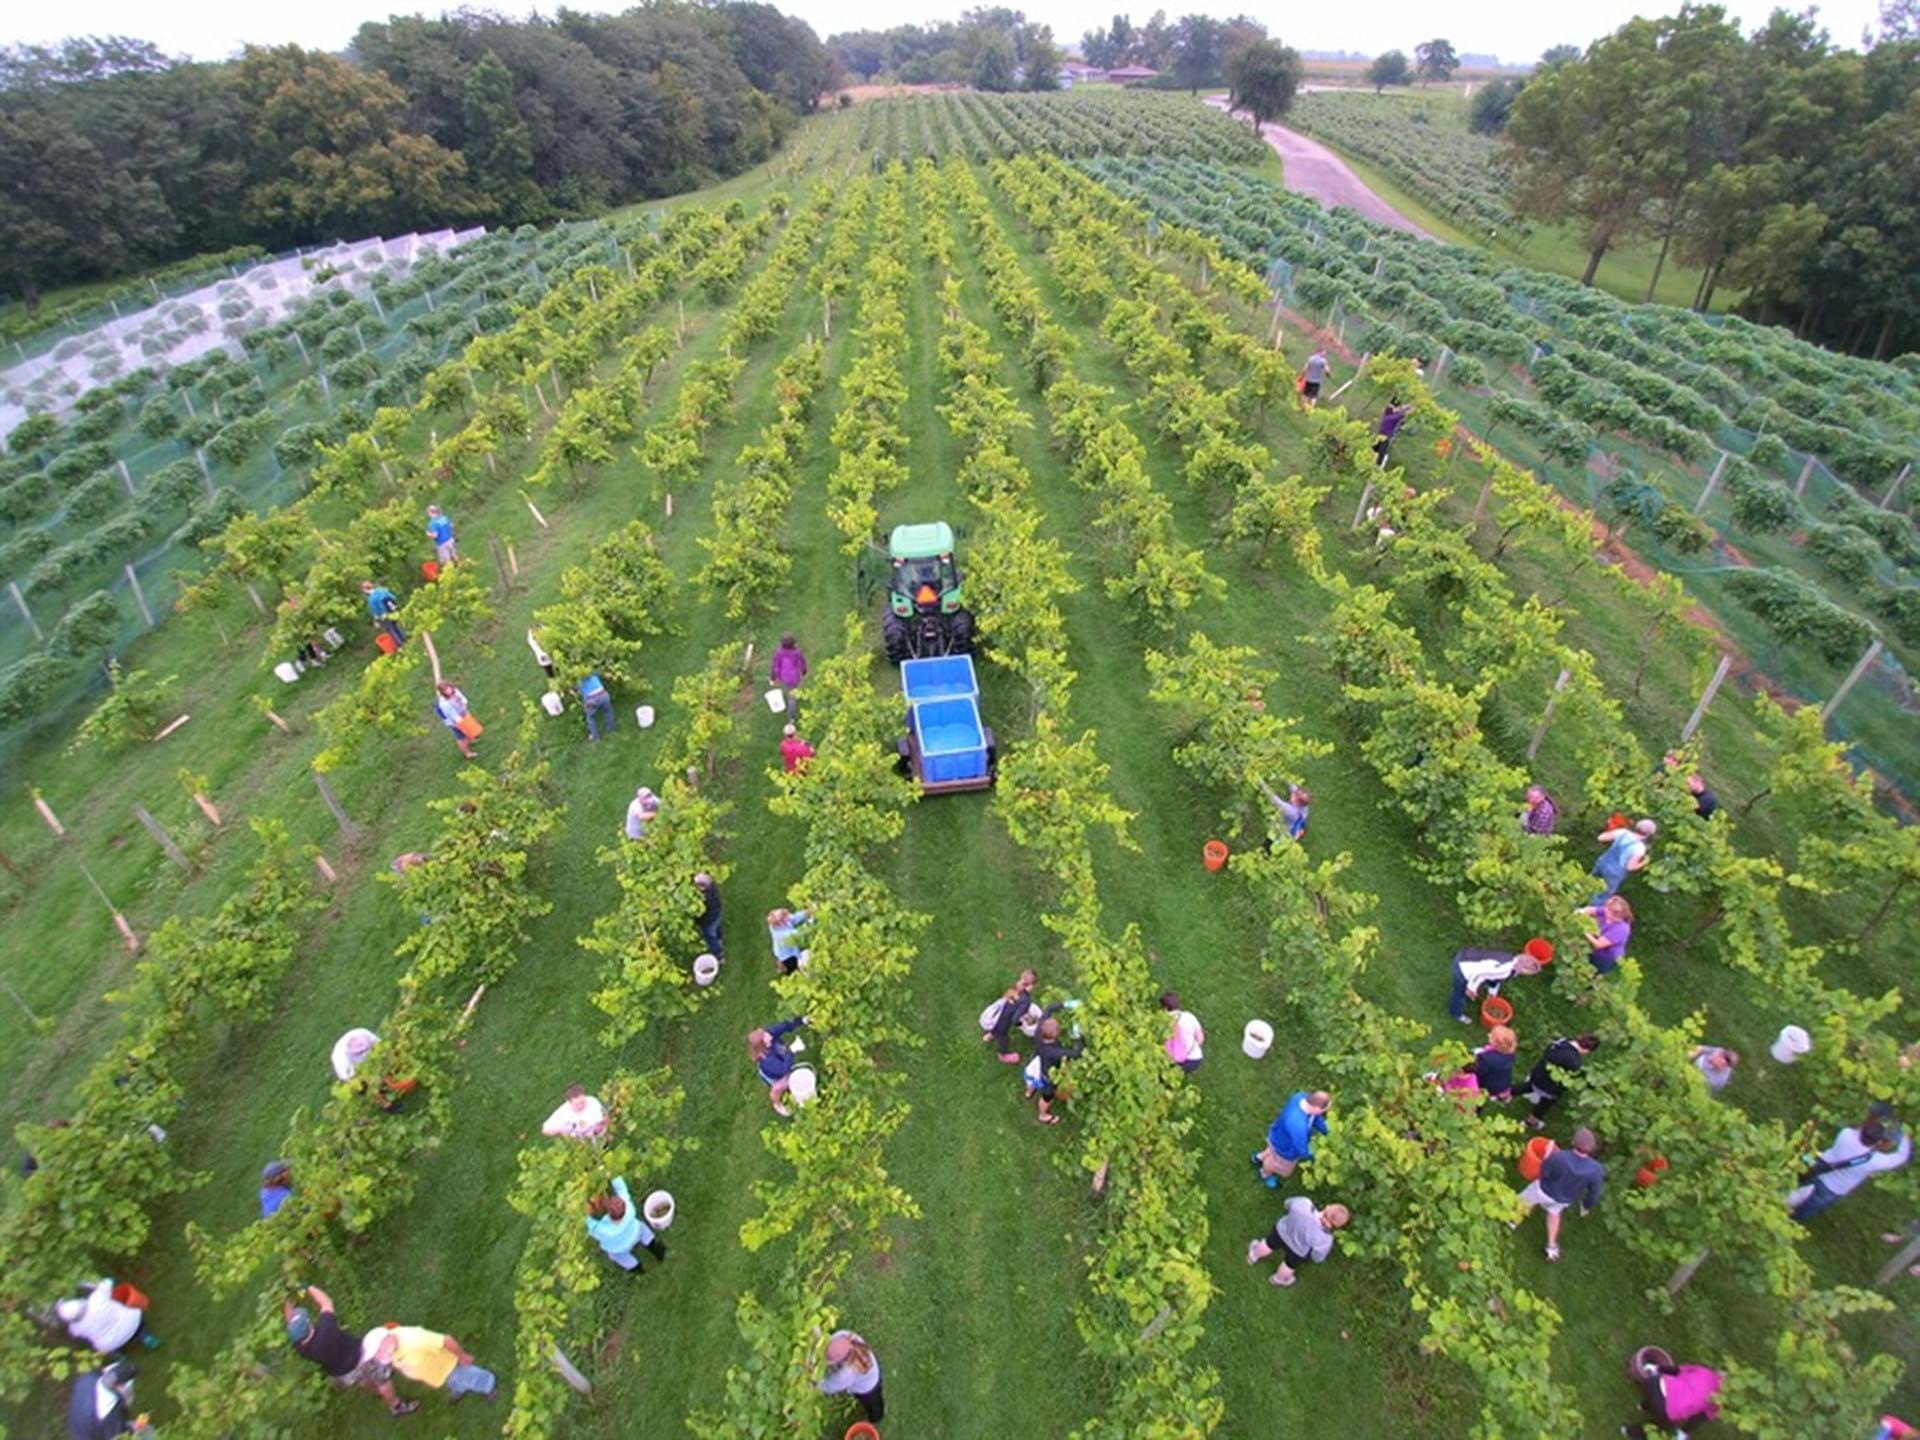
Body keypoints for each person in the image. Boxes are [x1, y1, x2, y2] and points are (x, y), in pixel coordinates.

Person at [285, 1286, 417, 1417]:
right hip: (362, 1359)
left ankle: (378, 1393)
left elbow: (294, 1328)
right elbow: (326, 1302)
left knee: (363, 1380)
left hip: (343, 1373)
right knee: (383, 1380)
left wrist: (287, 1305)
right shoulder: (326, 1329)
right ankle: (396, 1405)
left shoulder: (300, 1347)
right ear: (309, 1323)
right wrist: (308, 1287)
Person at [1789, 1104, 1911, 1222]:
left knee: (1792, 1189)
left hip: (1817, 1169)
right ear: (1878, 1142)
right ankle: (1792, 1221)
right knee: (1805, 1209)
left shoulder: (1845, 1135)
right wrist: (1905, 1135)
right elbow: (1901, 1157)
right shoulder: (1874, 1161)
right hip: (1833, 1188)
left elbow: (1859, 1128)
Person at [1514, 1127, 1604, 1262]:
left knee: (1523, 1202)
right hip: (1563, 1199)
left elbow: (1543, 1172)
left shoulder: (1558, 1157)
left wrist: (1547, 1155)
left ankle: (1512, 1221)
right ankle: (1551, 1247)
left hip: (1543, 1190)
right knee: (1554, 1215)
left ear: (1573, 1142)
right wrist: (1586, 1206)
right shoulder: (1596, 1170)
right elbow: (1594, 1193)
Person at [359, 1324, 497, 1404]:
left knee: (470, 1376)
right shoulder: (390, 1351)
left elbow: (446, 1340)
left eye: (378, 1353)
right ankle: (460, 1388)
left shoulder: (415, 1339)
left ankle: (488, 1385)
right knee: (453, 1382)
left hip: (449, 1367)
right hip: (436, 1374)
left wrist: (462, 1356)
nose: (378, 1358)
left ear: (385, 1341)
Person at [1245, 1196, 1350, 1287]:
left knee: (1268, 1244)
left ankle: (1253, 1255)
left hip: (1282, 1231)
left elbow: (1288, 1203)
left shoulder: (1304, 1204)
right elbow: (1319, 1254)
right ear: (1336, 1227)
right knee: (1289, 1265)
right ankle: (1278, 1279)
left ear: (1328, 1206)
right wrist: (1315, 1259)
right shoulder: (1325, 1238)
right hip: (1298, 1250)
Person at [1623, 1351, 1723, 1438]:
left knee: (1668, 1389)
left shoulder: (1705, 1372)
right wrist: (1683, 1432)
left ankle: (1643, 1405)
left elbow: (1675, 1370)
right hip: (1664, 1410)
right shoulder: (1717, 1404)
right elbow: (1697, 1420)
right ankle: (1631, 1432)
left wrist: (1656, 1368)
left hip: (1653, 1384)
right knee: (1664, 1425)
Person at [1447, 940, 1550, 1023]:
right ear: (1522, 967)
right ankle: (1456, 1013)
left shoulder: (1512, 966)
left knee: (1467, 991)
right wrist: (1471, 988)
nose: (1527, 975)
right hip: (1463, 967)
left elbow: (1494, 978)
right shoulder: (1504, 968)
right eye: (1528, 972)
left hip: (1471, 959)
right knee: (1459, 994)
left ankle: (1466, 998)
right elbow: (1480, 973)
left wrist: (1492, 994)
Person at [586, 1176, 668, 1273]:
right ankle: (658, 1251)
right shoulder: (629, 1209)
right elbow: (621, 1188)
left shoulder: (602, 1229)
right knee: (643, 1231)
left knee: (620, 1257)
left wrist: (587, 1210)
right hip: (635, 1233)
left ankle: (637, 1269)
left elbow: (588, 1222)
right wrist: (612, 1174)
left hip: (619, 1248)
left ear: (609, 1212)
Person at [1254, 1090, 1331, 1187]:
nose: (1323, 1113)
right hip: (1284, 1148)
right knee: (1275, 1164)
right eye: (1323, 1111)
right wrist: (1317, 1155)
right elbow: (1302, 1150)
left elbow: (1315, 1118)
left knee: (1272, 1151)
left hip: (1278, 1134)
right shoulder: (1298, 1126)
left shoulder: (1301, 1097)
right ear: (1316, 1108)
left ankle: (1258, 1157)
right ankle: (1265, 1173)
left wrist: (1326, 1130)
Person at [1520, 1034, 1600, 1128]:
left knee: (1527, 1086)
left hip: (1538, 1072)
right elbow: (1581, 1078)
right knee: (1544, 1105)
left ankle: (1503, 1094)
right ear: (1587, 1050)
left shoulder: (1562, 1041)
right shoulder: (1574, 1062)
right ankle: (1530, 1122)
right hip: (1548, 1087)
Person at [1024, 1013, 1084, 1125]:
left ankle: (1029, 1092)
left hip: (1035, 1065)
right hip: (1047, 1076)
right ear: (1055, 1035)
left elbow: (1048, 1010)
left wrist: (1063, 1005)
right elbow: (1076, 1054)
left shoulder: (1038, 1033)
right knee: (1047, 1096)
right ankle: (1043, 1115)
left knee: (1031, 1079)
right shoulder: (1055, 1052)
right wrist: (1078, 1037)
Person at [55, 1281, 146, 1354]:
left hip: (111, 1344)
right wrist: (91, 1284)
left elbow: (74, 1334)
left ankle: (120, 1358)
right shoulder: (97, 1299)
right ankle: (148, 1339)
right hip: (131, 1324)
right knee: (136, 1322)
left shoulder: (75, 1328)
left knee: (105, 1349)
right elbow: (108, 1282)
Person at [67, 1360, 149, 1439]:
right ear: (119, 1387)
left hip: (78, 1429)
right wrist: (134, 1428)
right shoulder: (111, 1412)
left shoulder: (89, 1378)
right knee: (147, 1432)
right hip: (95, 1435)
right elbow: (119, 1437)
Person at [817, 1330, 883, 1425]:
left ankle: (876, 1418)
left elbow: (826, 1386)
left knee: (873, 1404)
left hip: (867, 1387)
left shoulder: (846, 1374)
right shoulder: (845, 1336)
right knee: (878, 1389)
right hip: (873, 1371)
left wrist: (812, 1382)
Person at [749, 1016, 810, 1116]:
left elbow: (785, 1026)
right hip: (775, 1075)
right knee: (779, 1087)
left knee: (790, 1076)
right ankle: (777, 1104)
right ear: (762, 1046)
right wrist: (791, 1051)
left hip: (780, 1061)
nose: (769, 1036)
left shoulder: (770, 1033)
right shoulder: (766, 1060)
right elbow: (783, 1069)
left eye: (765, 1033)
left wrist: (802, 1021)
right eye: (765, 1038)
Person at [1591, 818, 1656, 901]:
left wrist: (1612, 829)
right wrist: (1644, 862)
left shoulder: (1623, 832)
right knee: (1600, 897)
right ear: (1648, 835)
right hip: (1614, 874)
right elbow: (1630, 867)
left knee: (1588, 884)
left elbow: (1601, 838)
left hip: (1602, 863)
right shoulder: (1640, 848)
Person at [983, 969, 1039, 1064]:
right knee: (1004, 1039)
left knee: (995, 1029)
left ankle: (990, 1035)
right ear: (1031, 986)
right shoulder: (1026, 1001)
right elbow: (1014, 1020)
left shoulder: (1015, 989)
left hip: (995, 1016)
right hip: (1002, 1025)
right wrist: (1021, 1023)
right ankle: (1003, 1055)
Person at [1579, 896, 1634, 974]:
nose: (1605, 909)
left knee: (1592, 973)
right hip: (1594, 951)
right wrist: (1580, 912)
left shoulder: (1621, 929)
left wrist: (1584, 931)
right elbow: (1591, 910)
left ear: (1615, 914)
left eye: (1607, 909)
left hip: (1606, 958)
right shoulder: (1607, 912)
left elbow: (1598, 944)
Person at [1470, 1025, 1520, 1101]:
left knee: (1477, 1098)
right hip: (1501, 1082)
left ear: (1497, 1044)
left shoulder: (1487, 1060)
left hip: (1488, 1085)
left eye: (1491, 1036)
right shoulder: (1509, 1052)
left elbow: (1477, 1071)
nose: (1488, 1034)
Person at [541, 1084, 607, 1139]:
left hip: (599, 1138)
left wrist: (600, 1126)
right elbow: (545, 1130)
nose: (581, 1106)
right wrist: (561, 1130)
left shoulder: (592, 1101)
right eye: (577, 1104)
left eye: (583, 1102)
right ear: (569, 1102)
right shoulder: (563, 1112)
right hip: (578, 1145)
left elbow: (604, 1117)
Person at [1163, 991, 1205, 1074]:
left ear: (1164, 1008)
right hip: (1195, 1058)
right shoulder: (1189, 1016)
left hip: (1173, 1060)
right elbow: (1200, 1038)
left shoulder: (1164, 1020)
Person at [1257, 778, 1310, 843]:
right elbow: (1293, 787)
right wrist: (1284, 776)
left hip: (1285, 833)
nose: (1293, 793)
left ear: (1297, 802)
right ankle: (1298, 832)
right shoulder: (1304, 806)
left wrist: (1261, 783)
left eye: (1295, 795)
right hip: (1296, 823)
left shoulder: (1290, 811)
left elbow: (1273, 799)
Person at [434, 682, 477, 760]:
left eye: (449, 688)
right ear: (443, 692)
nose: (449, 690)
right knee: (460, 736)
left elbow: (463, 700)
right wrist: (461, 724)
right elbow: (454, 716)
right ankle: (468, 754)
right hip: (452, 720)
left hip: (461, 713)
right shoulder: (444, 704)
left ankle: (470, 740)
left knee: (467, 729)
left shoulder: (455, 691)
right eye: (446, 690)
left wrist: (462, 705)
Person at [770, 633, 808, 719]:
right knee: (792, 695)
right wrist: (804, 671)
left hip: (784, 677)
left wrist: (773, 678)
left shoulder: (779, 653)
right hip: (795, 677)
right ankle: (792, 716)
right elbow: (802, 663)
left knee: (791, 696)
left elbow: (775, 666)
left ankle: (792, 717)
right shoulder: (797, 652)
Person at [765, 907, 811, 973]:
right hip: (789, 959)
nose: (788, 917)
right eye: (784, 917)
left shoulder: (783, 919)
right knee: (806, 955)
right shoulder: (782, 935)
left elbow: (795, 918)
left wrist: (807, 913)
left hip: (783, 952)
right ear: (780, 923)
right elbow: (800, 933)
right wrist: (810, 922)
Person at [361, 580, 404, 647]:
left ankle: (401, 644)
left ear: (365, 590)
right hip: (392, 611)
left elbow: (375, 611)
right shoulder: (381, 590)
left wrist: (376, 621)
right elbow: (393, 597)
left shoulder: (371, 599)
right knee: (396, 625)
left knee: (391, 630)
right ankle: (404, 638)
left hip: (384, 616)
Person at [694, 872, 724, 959]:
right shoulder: (712, 887)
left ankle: (719, 955)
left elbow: (700, 913)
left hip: (708, 920)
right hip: (717, 913)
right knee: (717, 928)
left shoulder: (704, 898)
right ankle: (720, 939)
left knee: (710, 937)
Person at [1373, 400, 1410, 467]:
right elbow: (1399, 413)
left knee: (1380, 453)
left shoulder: (1394, 415)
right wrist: (1404, 408)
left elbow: (1402, 414)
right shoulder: (1390, 413)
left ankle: (1376, 466)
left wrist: (1405, 408)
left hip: (1385, 436)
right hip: (1381, 435)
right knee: (1376, 451)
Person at [579, 672, 613, 740]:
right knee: (607, 711)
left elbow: (578, 691)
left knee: (591, 717)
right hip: (603, 694)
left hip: (591, 699)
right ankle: (611, 730)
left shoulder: (576, 679)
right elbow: (602, 673)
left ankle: (595, 737)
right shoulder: (590, 671)